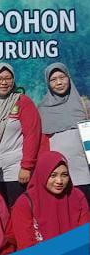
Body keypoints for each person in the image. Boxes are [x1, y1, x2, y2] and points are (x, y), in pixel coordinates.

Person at [0, 63, 42, 206]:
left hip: (15, 171)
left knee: (17, 213)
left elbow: (32, 135)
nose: (3, 82)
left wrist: (27, 167)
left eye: (8, 78)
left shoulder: (22, 102)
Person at [12, 151, 89, 250]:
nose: (59, 181)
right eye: (53, 175)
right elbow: (26, 245)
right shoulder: (25, 202)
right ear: (42, 174)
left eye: (64, 175)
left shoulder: (77, 196)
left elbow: (84, 235)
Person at [39, 63, 90, 204]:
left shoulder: (84, 105)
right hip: (57, 178)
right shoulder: (42, 109)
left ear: (69, 78)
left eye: (62, 77)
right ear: (48, 83)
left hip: (84, 173)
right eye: (53, 79)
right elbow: (41, 144)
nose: (59, 82)